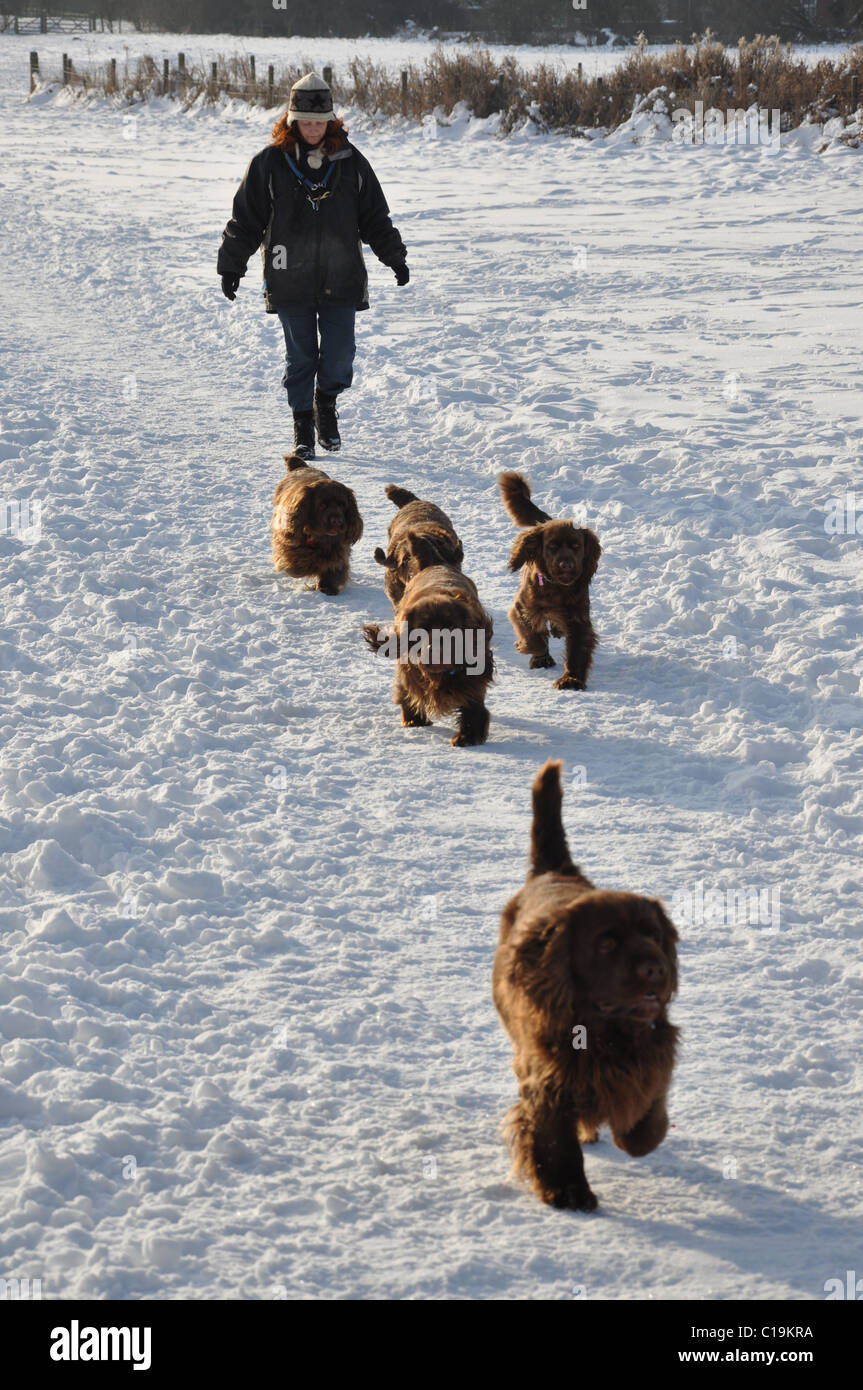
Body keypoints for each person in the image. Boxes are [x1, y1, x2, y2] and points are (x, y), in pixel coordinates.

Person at [218, 71, 409, 458]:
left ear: (331, 122)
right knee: (301, 356)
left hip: (342, 278)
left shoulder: (352, 163)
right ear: (291, 121)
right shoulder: (269, 165)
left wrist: (395, 257)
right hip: (289, 277)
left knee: (339, 355)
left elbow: (375, 217)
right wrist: (231, 266)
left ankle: (326, 402)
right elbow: (246, 220)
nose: (312, 129)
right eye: (305, 122)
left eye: (319, 122)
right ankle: (303, 423)